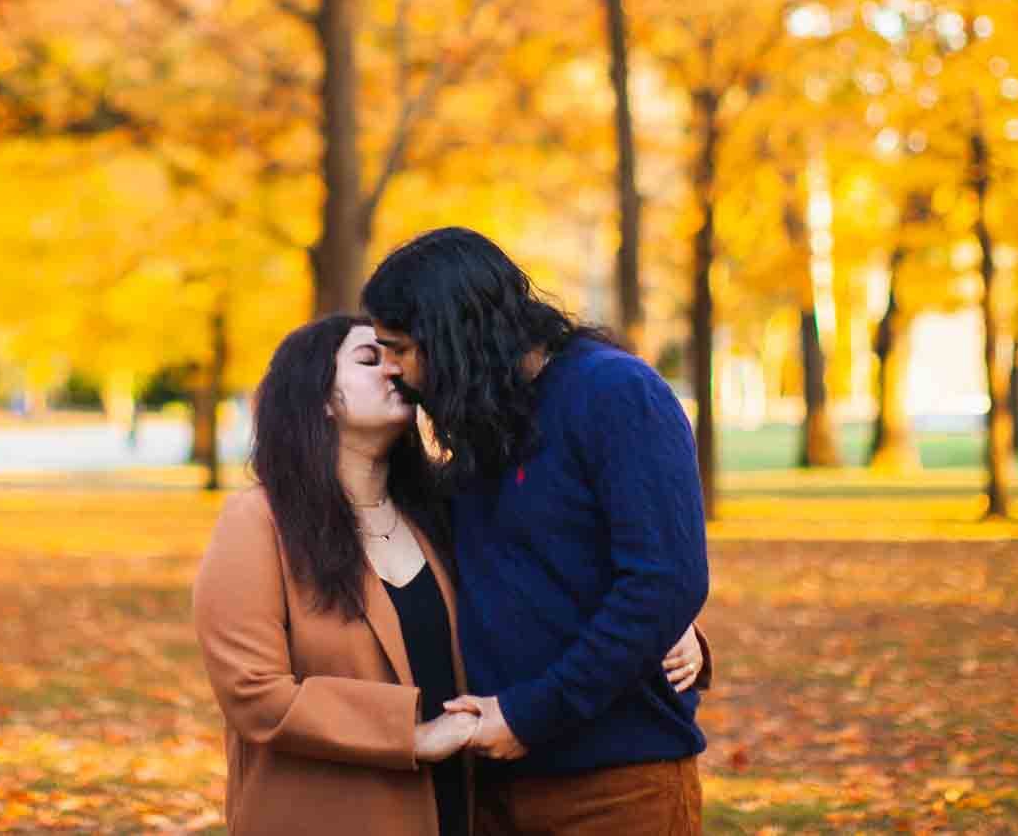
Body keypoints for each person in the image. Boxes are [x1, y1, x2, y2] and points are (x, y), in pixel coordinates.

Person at [192, 315, 705, 836]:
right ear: (317, 399)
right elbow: (252, 692)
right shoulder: (260, 521)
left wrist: (671, 624)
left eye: (398, 356)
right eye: (370, 360)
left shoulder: (444, 507)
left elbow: (545, 583)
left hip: (456, 809)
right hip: (326, 811)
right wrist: (412, 735)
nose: (394, 370)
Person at [363, 228, 711, 836]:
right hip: (487, 787)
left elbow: (663, 582)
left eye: (400, 349)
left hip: (612, 786)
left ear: (452, 337)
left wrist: (529, 715)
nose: (393, 371)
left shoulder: (616, 395)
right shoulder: (480, 422)